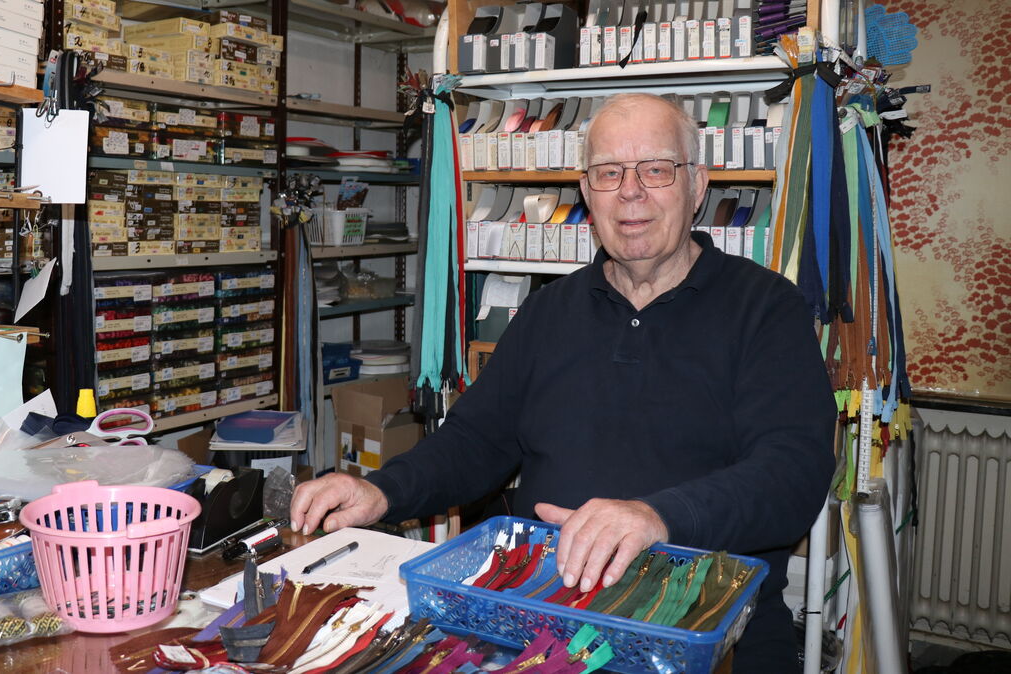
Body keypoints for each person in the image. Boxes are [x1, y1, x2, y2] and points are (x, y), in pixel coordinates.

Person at [291, 93, 837, 672]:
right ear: (586, 192)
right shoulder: (550, 311)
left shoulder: (765, 308)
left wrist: (657, 517)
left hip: (706, 629)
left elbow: (792, 471)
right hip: (546, 621)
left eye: (655, 169)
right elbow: (476, 439)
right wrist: (384, 491)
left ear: (697, 185)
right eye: (609, 173)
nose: (631, 192)